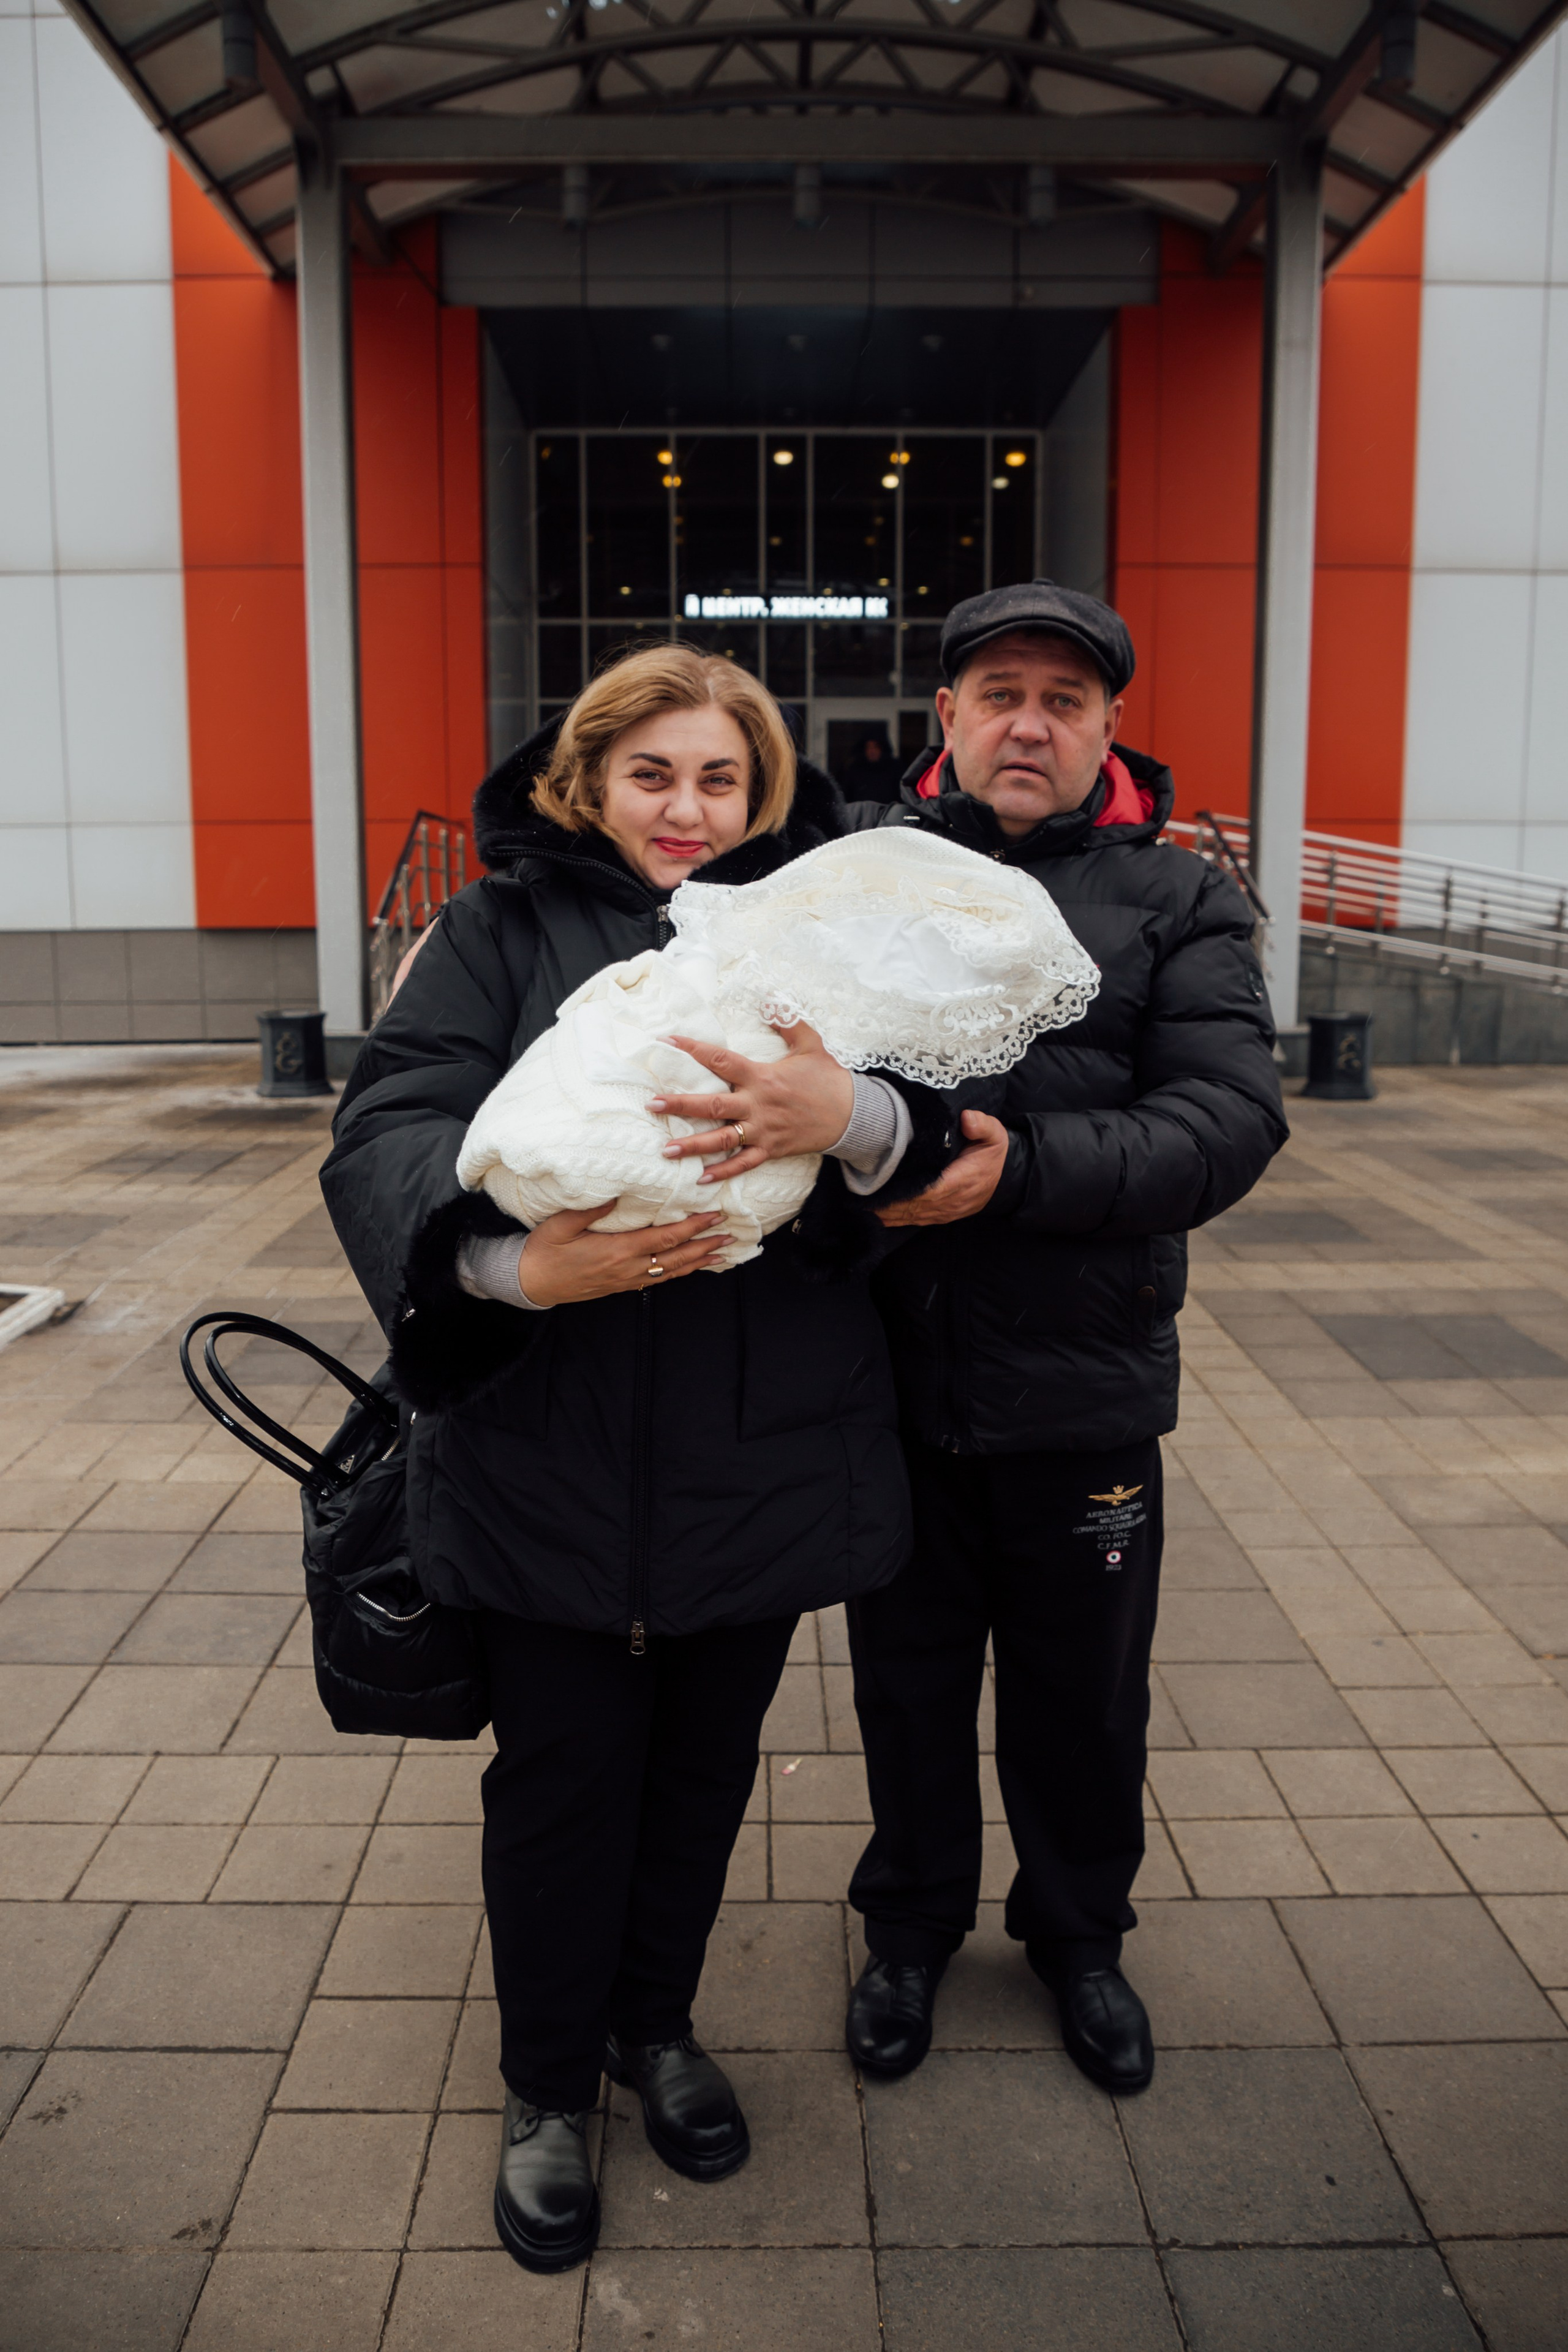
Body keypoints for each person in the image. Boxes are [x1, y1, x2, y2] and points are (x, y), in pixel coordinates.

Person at [320, 646, 916, 2274]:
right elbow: (384, 1134)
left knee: (702, 1779)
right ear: (589, 779)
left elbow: (910, 1136)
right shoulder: (495, 927)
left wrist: (846, 1113)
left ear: (763, 792)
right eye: (654, 771)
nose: (687, 806)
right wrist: (513, 1272)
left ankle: (654, 2028)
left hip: (757, 1458)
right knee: (564, 1784)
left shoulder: (818, 950)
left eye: (721, 776)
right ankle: (540, 2090)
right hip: (546, 1456)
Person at [832, 580, 1289, 2095]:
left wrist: (1016, 1171)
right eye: (999, 692)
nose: (1029, 721)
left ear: (1106, 728)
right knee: (901, 1681)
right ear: (946, 717)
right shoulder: (857, 879)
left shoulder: (1182, 901)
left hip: (1084, 1390)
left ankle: (1078, 1936)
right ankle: (905, 1931)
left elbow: (1223, 1125)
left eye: (1065, 699)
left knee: (1081, 1690)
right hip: (886, 1383)